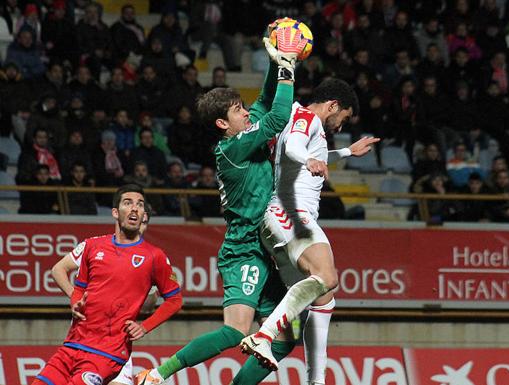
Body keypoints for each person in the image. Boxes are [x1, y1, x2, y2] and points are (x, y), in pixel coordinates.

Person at [135, 21, 306, 385]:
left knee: (287, 337)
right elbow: (276, 116)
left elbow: (262, 103)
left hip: (264, 247)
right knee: (235, 332)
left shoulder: (243, 130)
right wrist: (289, 68)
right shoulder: (232, 149)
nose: (245, 112)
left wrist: (275, 61)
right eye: (236, 111)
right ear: (221, 123)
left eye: (241, 107)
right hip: (244, 248)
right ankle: (158, 374)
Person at [239, 77, 378, 385]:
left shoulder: (299, 118)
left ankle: (315, 381)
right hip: (290, 213)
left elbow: (305, 151)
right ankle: (264, 334)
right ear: (333, 106)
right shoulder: (305, 118)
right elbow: (294, 148)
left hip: (279, 221)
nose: (340, 126)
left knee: (324, 298)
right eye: (342, 118)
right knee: (328, 276)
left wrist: (345, 154)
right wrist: (309, 159)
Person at [31, 184, 182, 385]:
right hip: (73, 343)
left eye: (140, 204)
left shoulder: (155, 256)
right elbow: (79, 287)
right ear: (115, 212)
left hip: (107, 352)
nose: (135, 208)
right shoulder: (93, 246)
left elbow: (175, 300)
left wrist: (144, 327)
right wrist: (75, 301)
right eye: (128, 203)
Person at [51, 204, 158, 385]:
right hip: (85, 337)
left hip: (117, 341)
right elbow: (58, 269)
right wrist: (75, 297)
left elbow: (152, 305)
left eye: (145, 222)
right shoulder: (94, 245)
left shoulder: (151, 258)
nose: (140, 226)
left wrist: (150, 293)